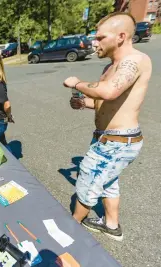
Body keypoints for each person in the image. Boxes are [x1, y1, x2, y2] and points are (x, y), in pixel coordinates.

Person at [63, 12, 152, 241]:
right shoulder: (110, 67)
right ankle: (111, 225)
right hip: (108, 139)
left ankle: (68, 232)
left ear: (121, 36)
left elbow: (110, 90)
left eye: (101, 37)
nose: (95, 42)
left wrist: (77, 84)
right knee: (107, 183)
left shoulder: (134, 61)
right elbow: (105, 101)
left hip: (117, 141)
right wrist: (83, 102)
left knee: (88, 183)